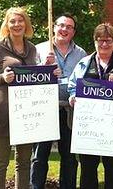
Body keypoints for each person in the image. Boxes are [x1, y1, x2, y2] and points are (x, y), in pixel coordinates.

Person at [0, 7, 51, 189]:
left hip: (27, 115)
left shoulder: (32, 49)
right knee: (0, 163)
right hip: (2, 114)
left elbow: (32, 78)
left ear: (26, 24)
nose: (16, 24)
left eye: (20, 21)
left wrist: (48, 70)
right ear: (7, 25)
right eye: (13, 21)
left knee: (24, 163)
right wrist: (2, 78)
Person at [68, 23, 113, 189]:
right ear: (95, 41)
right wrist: (73, 96)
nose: (104, 44)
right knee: (88, 168)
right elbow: (72, 85)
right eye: (101, 40)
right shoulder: (84, 63)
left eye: (108, 41)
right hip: (88, 127)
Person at [30, 14, 86, 189]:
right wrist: (43, 68)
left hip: (70, 112)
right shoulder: (39, 50)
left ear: (73, 32)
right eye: (61, 25)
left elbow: (84, 81)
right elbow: (28, 79)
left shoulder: (81, 54)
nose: (64, 29)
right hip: (45, 110)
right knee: (40, 155)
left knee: (69, 158)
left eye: (69, 27)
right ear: (53, 27)